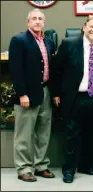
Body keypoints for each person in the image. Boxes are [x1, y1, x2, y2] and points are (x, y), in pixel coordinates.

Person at [51, 15, 93, 183]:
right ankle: (69, 169)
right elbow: (57, 70)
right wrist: (56, 94)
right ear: (84, 27)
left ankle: (86, 165)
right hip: (74, 97)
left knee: (92, 134)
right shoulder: (69, 44)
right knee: (72, 134)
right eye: (91, 26)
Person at [8, 8, 56, 182]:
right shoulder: (19, 40)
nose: (37, 21)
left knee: (43, 132)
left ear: (44, 22)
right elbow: (16, 69)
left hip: (45, 92)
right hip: (27, 94)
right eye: (34, 18)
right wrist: (22, 94)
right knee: (24, 133)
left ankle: (41, 165)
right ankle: (24, 168)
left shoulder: (49, 41)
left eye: (40, 19)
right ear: (28, 22)